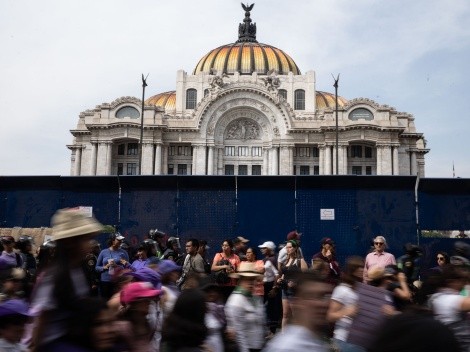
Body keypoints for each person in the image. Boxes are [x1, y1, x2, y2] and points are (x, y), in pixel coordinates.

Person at [29, 208, 104, 351]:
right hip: (55, 344)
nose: (90, 244)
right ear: (70, 242)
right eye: (86, 239)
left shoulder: (77, 271)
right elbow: (41, 321)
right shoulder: (54, 277)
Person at [263, 271, 334, 352]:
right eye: (310, 296)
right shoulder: (285, 347)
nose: (320, 304)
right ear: (297, 302)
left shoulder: (319, 343)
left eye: (323, 297)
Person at [225, 262, 266, 352]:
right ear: (240, 280)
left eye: (253, 279)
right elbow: (239, 333)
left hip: (258, 346)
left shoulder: (256, 298)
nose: (251, 282)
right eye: (247, 279)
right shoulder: (235, 300)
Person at [327, 256, 364, 352]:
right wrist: (346, 312)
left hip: (361, 340)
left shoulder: (362, 289)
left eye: (362, 267)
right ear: (351, 270)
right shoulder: (341, 289)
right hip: (344, 339)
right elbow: (330, 316)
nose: (361, 270)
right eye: (358, 267)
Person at [428, 264, 470, 351]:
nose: (464, 284)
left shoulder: (436, 297)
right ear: (451, 281)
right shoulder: (448, 300)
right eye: (462, 281)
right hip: (460, 346)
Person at [115, 281, 163, 352]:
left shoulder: (147, 324)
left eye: (149, 300)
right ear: (135, 304)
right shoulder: (122, 329)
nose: (149, 303)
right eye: (146, 301)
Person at [277, 239, 308, 331]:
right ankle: (283, 335)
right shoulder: (286, 260)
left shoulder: (300, 261)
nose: (287, 249)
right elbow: (285, 273)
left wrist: (296, 283)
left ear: (295, 248)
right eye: (286, 247)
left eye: (290, 247)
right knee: (285, 314)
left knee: (296, 315)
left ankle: (298, 335)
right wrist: (280, 279)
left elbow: (306, 276)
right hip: (285, 289)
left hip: (295, 291)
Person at [95, 233, 131, 300]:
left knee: (116, 300)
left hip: (117, 282)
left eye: (121, 240)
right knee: (104, 301)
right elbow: (96, 267)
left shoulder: (124, 253)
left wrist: (117, 266)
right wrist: (104, 267)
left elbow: (128, 268)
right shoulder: (103, 252)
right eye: (118, 240)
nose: (121, 242)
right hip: (105, 281)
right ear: (113, 240)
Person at [258, 241, 281, 336]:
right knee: (265, 308)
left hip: (271, 286)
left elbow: (277, 274)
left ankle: (272, 331)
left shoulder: (272, 260)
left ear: (269, 249)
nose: (262, 250)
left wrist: (274, 288)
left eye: (264, 248)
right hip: (265, 286)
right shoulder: (266, 259)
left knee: (272, 308)